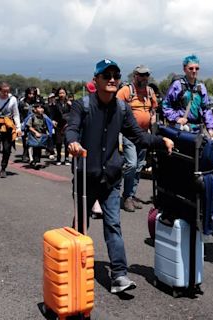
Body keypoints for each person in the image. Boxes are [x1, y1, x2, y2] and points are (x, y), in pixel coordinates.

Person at [66, 58, 174, 294]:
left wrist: (160, 140)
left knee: (113, 224)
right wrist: (73, 142)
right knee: (81, 226)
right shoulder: (82, 106)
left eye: (116, 75)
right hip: (86, 175)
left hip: (111, 177)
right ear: (96, 80)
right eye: (107, 76)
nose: (113, 79)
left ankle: (119, 275)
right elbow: (72, 128)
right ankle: (73, 265)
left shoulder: (122, 109)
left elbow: (139, 136)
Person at [116, 65, 157, 212]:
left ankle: (131, 196)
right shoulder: (126, 90)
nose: (144, 78)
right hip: (129, 135)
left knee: (139, 166)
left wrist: (151, 117)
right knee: (132, 164)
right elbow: (115, 106)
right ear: (135, 76)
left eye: (146, 75)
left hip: (144, 135)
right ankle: (126, 196)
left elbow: (153, 108)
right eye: (141, 75)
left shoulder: (150, 91)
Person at [162, 54, 213, 138]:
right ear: (184, 69)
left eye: (196, 68)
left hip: (198, 129)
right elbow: (166, 105)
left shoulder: (201, 87)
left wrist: (210, 128)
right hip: (181, 129)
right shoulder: (177, 85)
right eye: (191, 68)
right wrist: (177, 119)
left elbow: (206, 108)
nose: (194, 71)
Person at [0, 82, 22, 178]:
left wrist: (18, 128)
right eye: (4, 92)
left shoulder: (13, 99)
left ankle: (3, 168)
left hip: (8, 126)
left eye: (8, 92)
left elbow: (16, 114)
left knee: (7, 149)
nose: (6, 94)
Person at [25, 98, 54, 169]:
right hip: (34, 135)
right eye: (39, 108)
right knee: (35, 148)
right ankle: (35, 161)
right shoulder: (32, 117)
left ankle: (36, 161)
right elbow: (29, 127)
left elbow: (49, 123)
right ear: (34, 110)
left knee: (39, 148)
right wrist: (35, 132)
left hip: (41, 135)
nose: (41, 109)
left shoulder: (44, 117)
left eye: (42, 108)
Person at [51, 87, 71, 165]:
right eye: (60, 93)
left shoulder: (69, 103)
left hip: (67, 124)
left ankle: (66, 158)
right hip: (58, 124)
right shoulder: (55, 103)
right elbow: (52, 113)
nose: (61, 94)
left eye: (63, 93)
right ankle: (58, 157)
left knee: (67, 141)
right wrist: (52, 120)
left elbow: (74, 113)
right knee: (58, 142)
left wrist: (71, 105)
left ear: (66, 94)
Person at [18, 87, 37, 162]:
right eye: (30, 94)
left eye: (33, 94)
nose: (31, 95)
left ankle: (33, 156)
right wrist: (20, 123)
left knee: (34, 140)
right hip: (25, 124)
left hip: (34, 124)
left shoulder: (35, 103)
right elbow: (19, 113)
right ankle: (25, 155)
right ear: (27, 94)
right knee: (25, 140)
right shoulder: (22, 103)